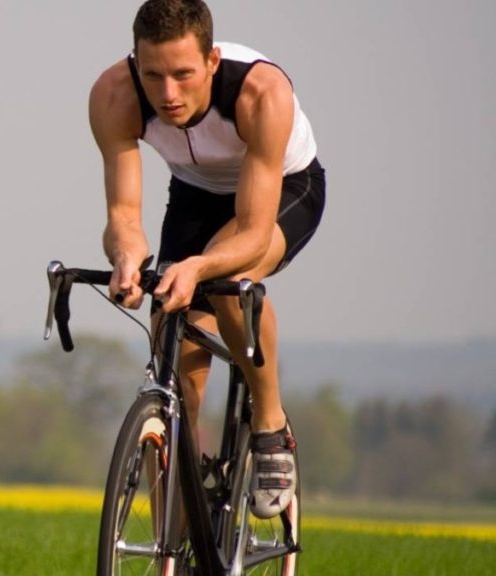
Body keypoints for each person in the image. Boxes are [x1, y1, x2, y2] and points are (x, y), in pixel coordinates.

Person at [89, 0, 325, 518]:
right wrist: (127, 259)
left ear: (212, 61)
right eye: (153, 76)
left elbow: (254, 233)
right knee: (175, 366)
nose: (168, 94)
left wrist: (196, 267)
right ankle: (173, 533)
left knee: (231, 284)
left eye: (183, 74)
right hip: (195, 194)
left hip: (283, 189)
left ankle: (270, 425)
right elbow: (124, 217)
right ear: (135, 62)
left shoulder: (261, 92)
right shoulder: (113, 95)